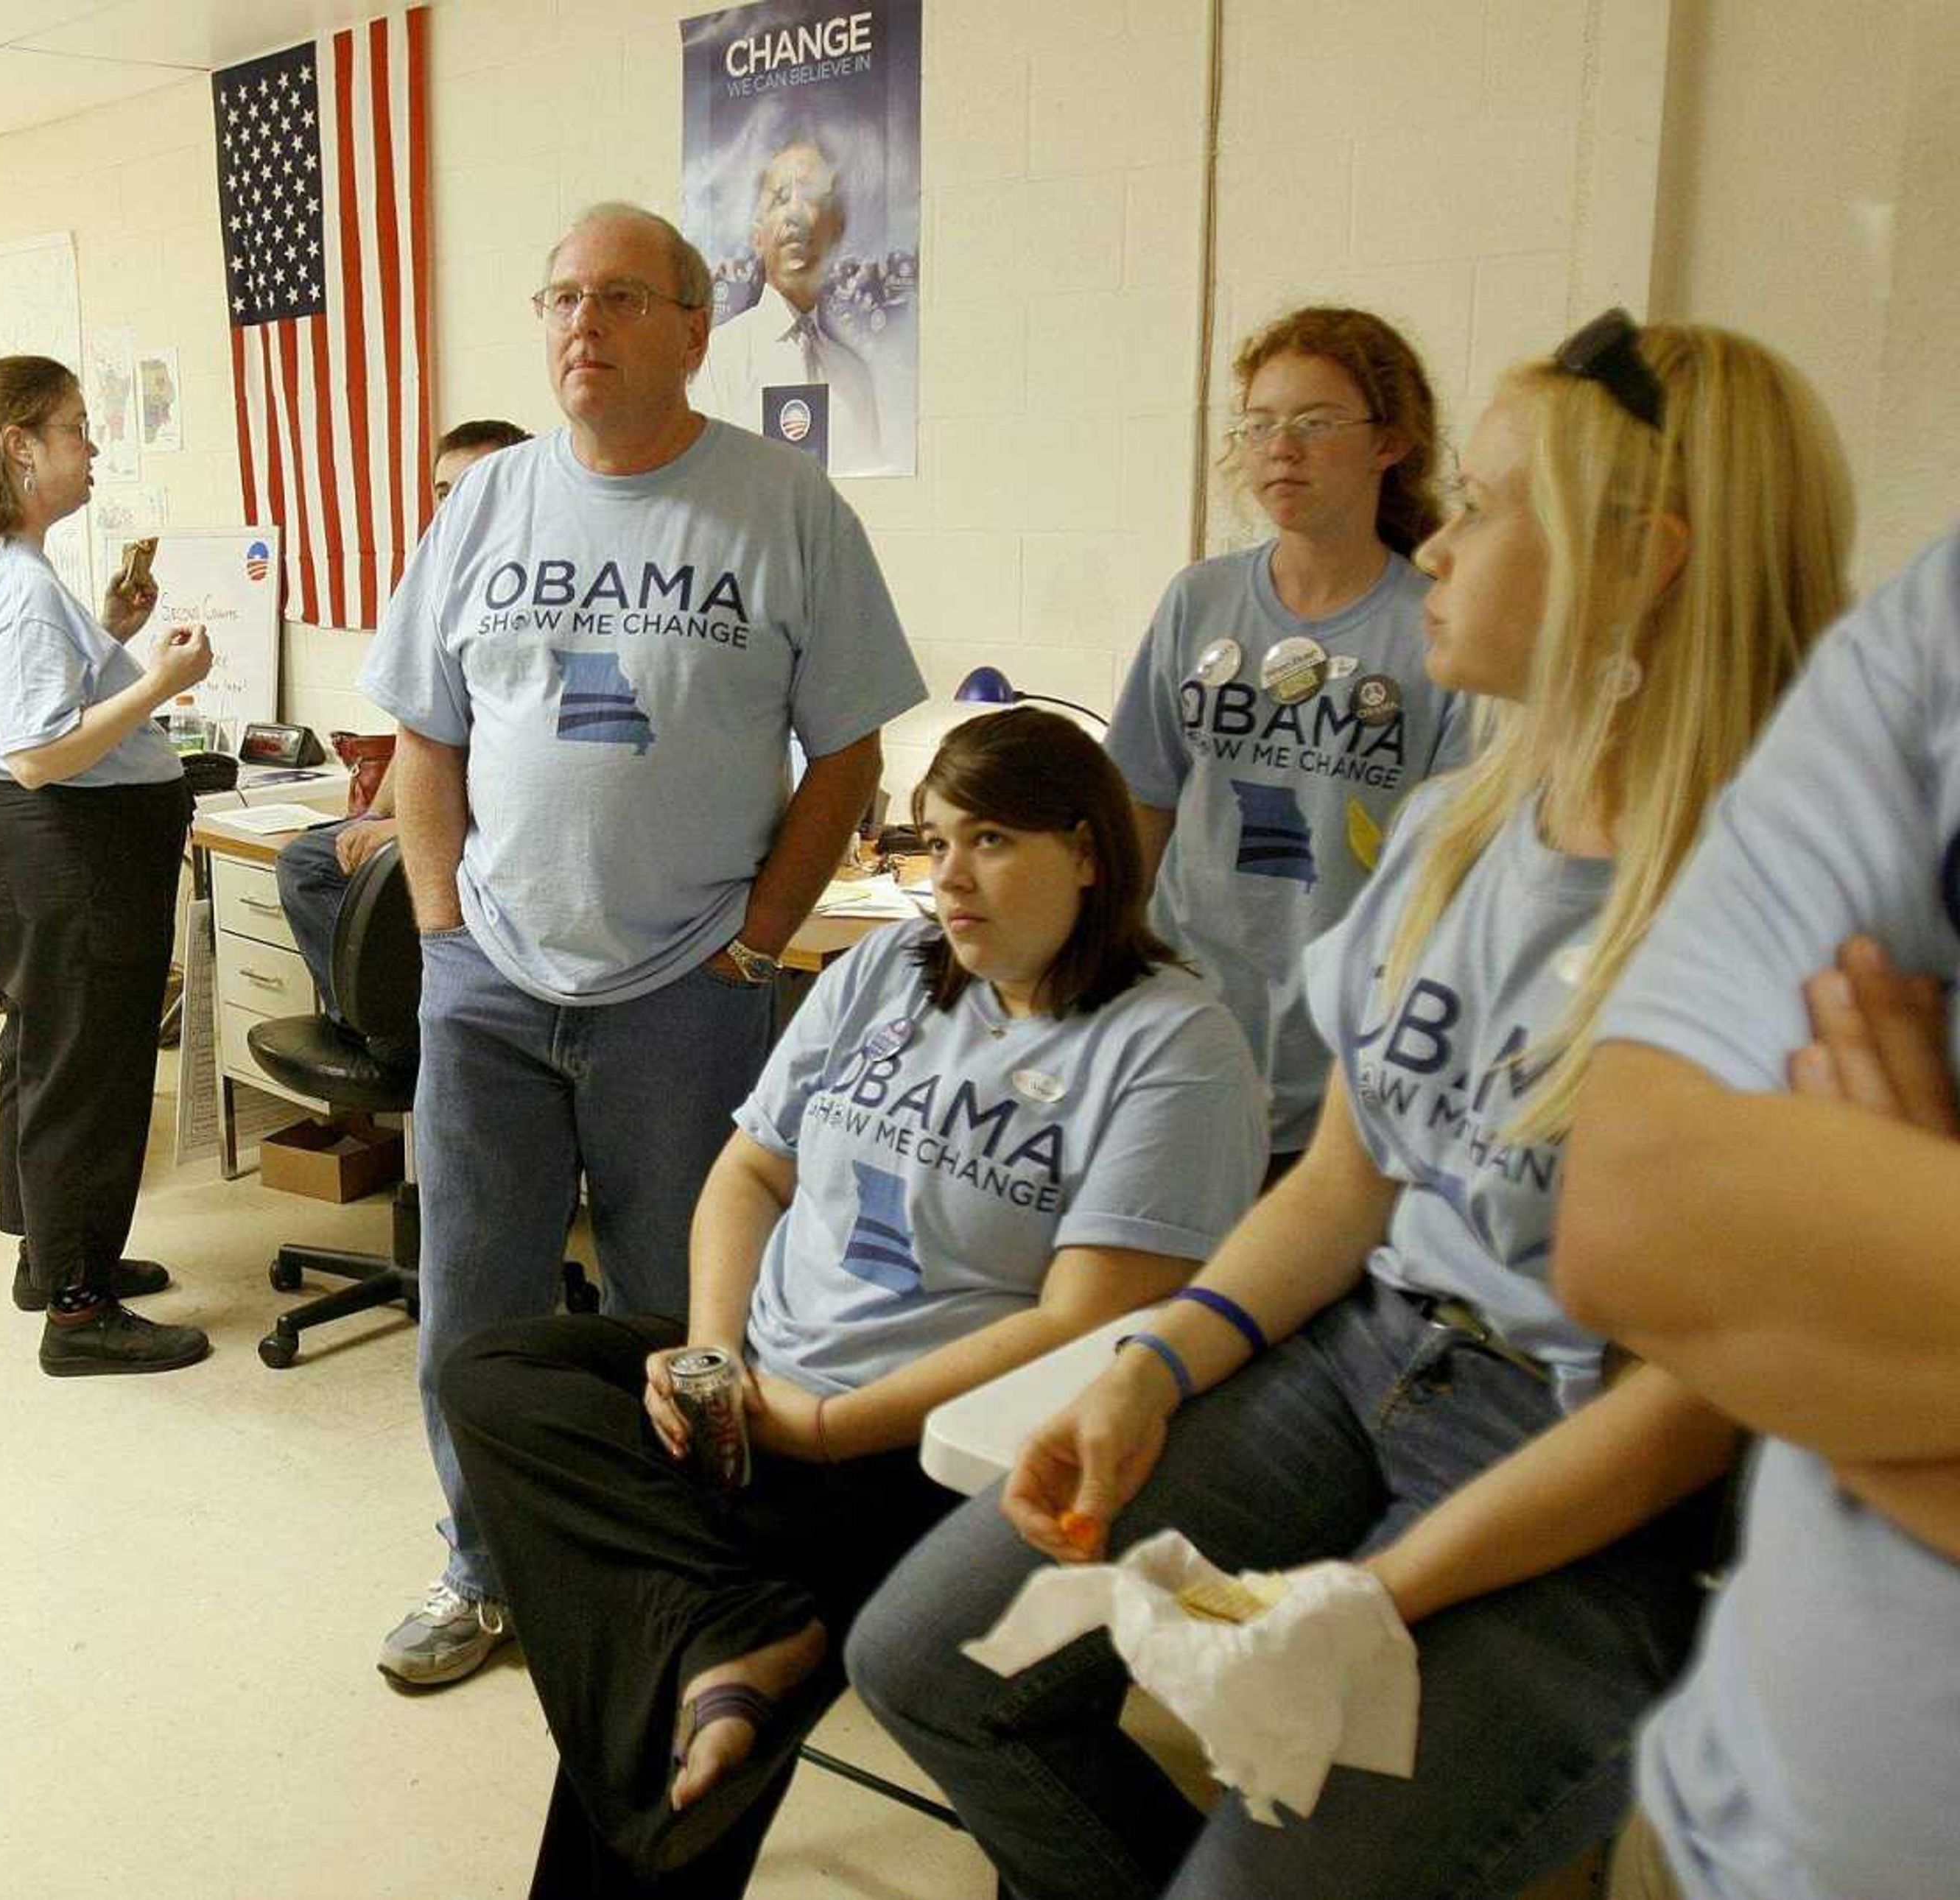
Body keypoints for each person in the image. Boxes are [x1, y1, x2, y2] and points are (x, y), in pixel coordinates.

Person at [844, 313, 1855, 1899]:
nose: (1439, 547)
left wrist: (1381, 1594)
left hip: (1603, 1459)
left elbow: (1689, 1403)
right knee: (928, 1654)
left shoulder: (1806, 924)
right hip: (1370, 1350)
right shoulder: (1466, 828)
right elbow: (1342, 1185)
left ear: (1643, 560)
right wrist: (1152, 1370)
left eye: (1488, 504)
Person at [441, 708, 1266, 1896]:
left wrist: (827, 1427)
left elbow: (1082, 1322)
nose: (951, 878)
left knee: (667, 1625)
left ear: (1089, 852)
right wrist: (716, 1358)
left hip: (928, 1449)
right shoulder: (887, 969)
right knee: (504, 1378)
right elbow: (751, 1171)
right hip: (762, 1387)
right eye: (934, 842)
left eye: (990, 840)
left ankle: (726, 1645)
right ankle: (732, 1637)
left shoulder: (1173, 1045)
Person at [358, 201, 925, 1689]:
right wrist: (437, 935)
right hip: (491, 980)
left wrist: (754, 938)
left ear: (695, 324)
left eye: (616, 299)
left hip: (687, 989)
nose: (578, 329)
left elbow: (851, 754)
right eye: (556, 301)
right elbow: (425, 737)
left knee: (676, 1324)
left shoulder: (784, 508)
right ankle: (484, 1568)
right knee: (474, 1313)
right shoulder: (484, 509)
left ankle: (671, 1594)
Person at [1553, 528, 1960, 1900]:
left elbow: (1706, 1326)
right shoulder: (1936, 628)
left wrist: (1864, 1310)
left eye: (1490, 505)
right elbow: (1637, 1218)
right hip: (1724, 1819)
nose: (1437, 547)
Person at [0, 353, 214, 1373]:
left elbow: (25, 715)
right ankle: (79, 1313)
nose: (93, 448)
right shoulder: (22, 582)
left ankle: (54, 1258)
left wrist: (112, 634)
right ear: (20, 448)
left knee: (46, 1051)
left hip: (13, 839)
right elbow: (42, 753)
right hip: (64, 846)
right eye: (77, 429)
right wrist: (162, 679)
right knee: (90, 1072)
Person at [1107, 307, 1464, 1176]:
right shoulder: (1200, 600)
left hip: (1346, 1055)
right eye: (1260, 425)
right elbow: (1140, 802)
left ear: (1391, 442)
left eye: (1314, 423)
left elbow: (1453, 868)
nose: (1281, 450)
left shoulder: (1439, 626)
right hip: (1183, 1032)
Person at [275, 419, 532, 1027]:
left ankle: (409, 1031)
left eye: (475, 485)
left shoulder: (535, 593)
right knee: (314, 860)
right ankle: (378, 1027)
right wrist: (373, 818)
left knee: (386, 872)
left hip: (495, 830)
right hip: (437, 807)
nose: (455, 506)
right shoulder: (444, 584)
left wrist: (401, 829)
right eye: (444, 492)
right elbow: (418, 731)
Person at [698, 137, 883, 470]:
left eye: (811, 197)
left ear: (837, 228)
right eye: (780, 198)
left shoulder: (855, 378)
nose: (795, 215)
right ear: (757, 236)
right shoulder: (717, 359)